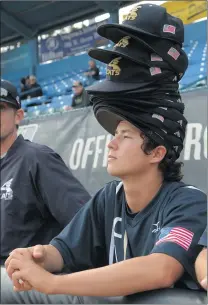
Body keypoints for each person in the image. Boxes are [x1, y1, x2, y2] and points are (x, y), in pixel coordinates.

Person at [2, 5, 207, 304]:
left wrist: (52, 284)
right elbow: (63, 251)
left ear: (156, 153)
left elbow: (161, 268)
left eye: (124, 137)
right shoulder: (109, 198)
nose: (111, 144)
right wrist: (38, 256)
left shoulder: (188, 201)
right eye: (114, 135)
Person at [0, 79, 91, 265]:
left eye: (0, 108)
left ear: (18, 116)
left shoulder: (37, 159)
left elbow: (85, 221)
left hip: (25, 281)